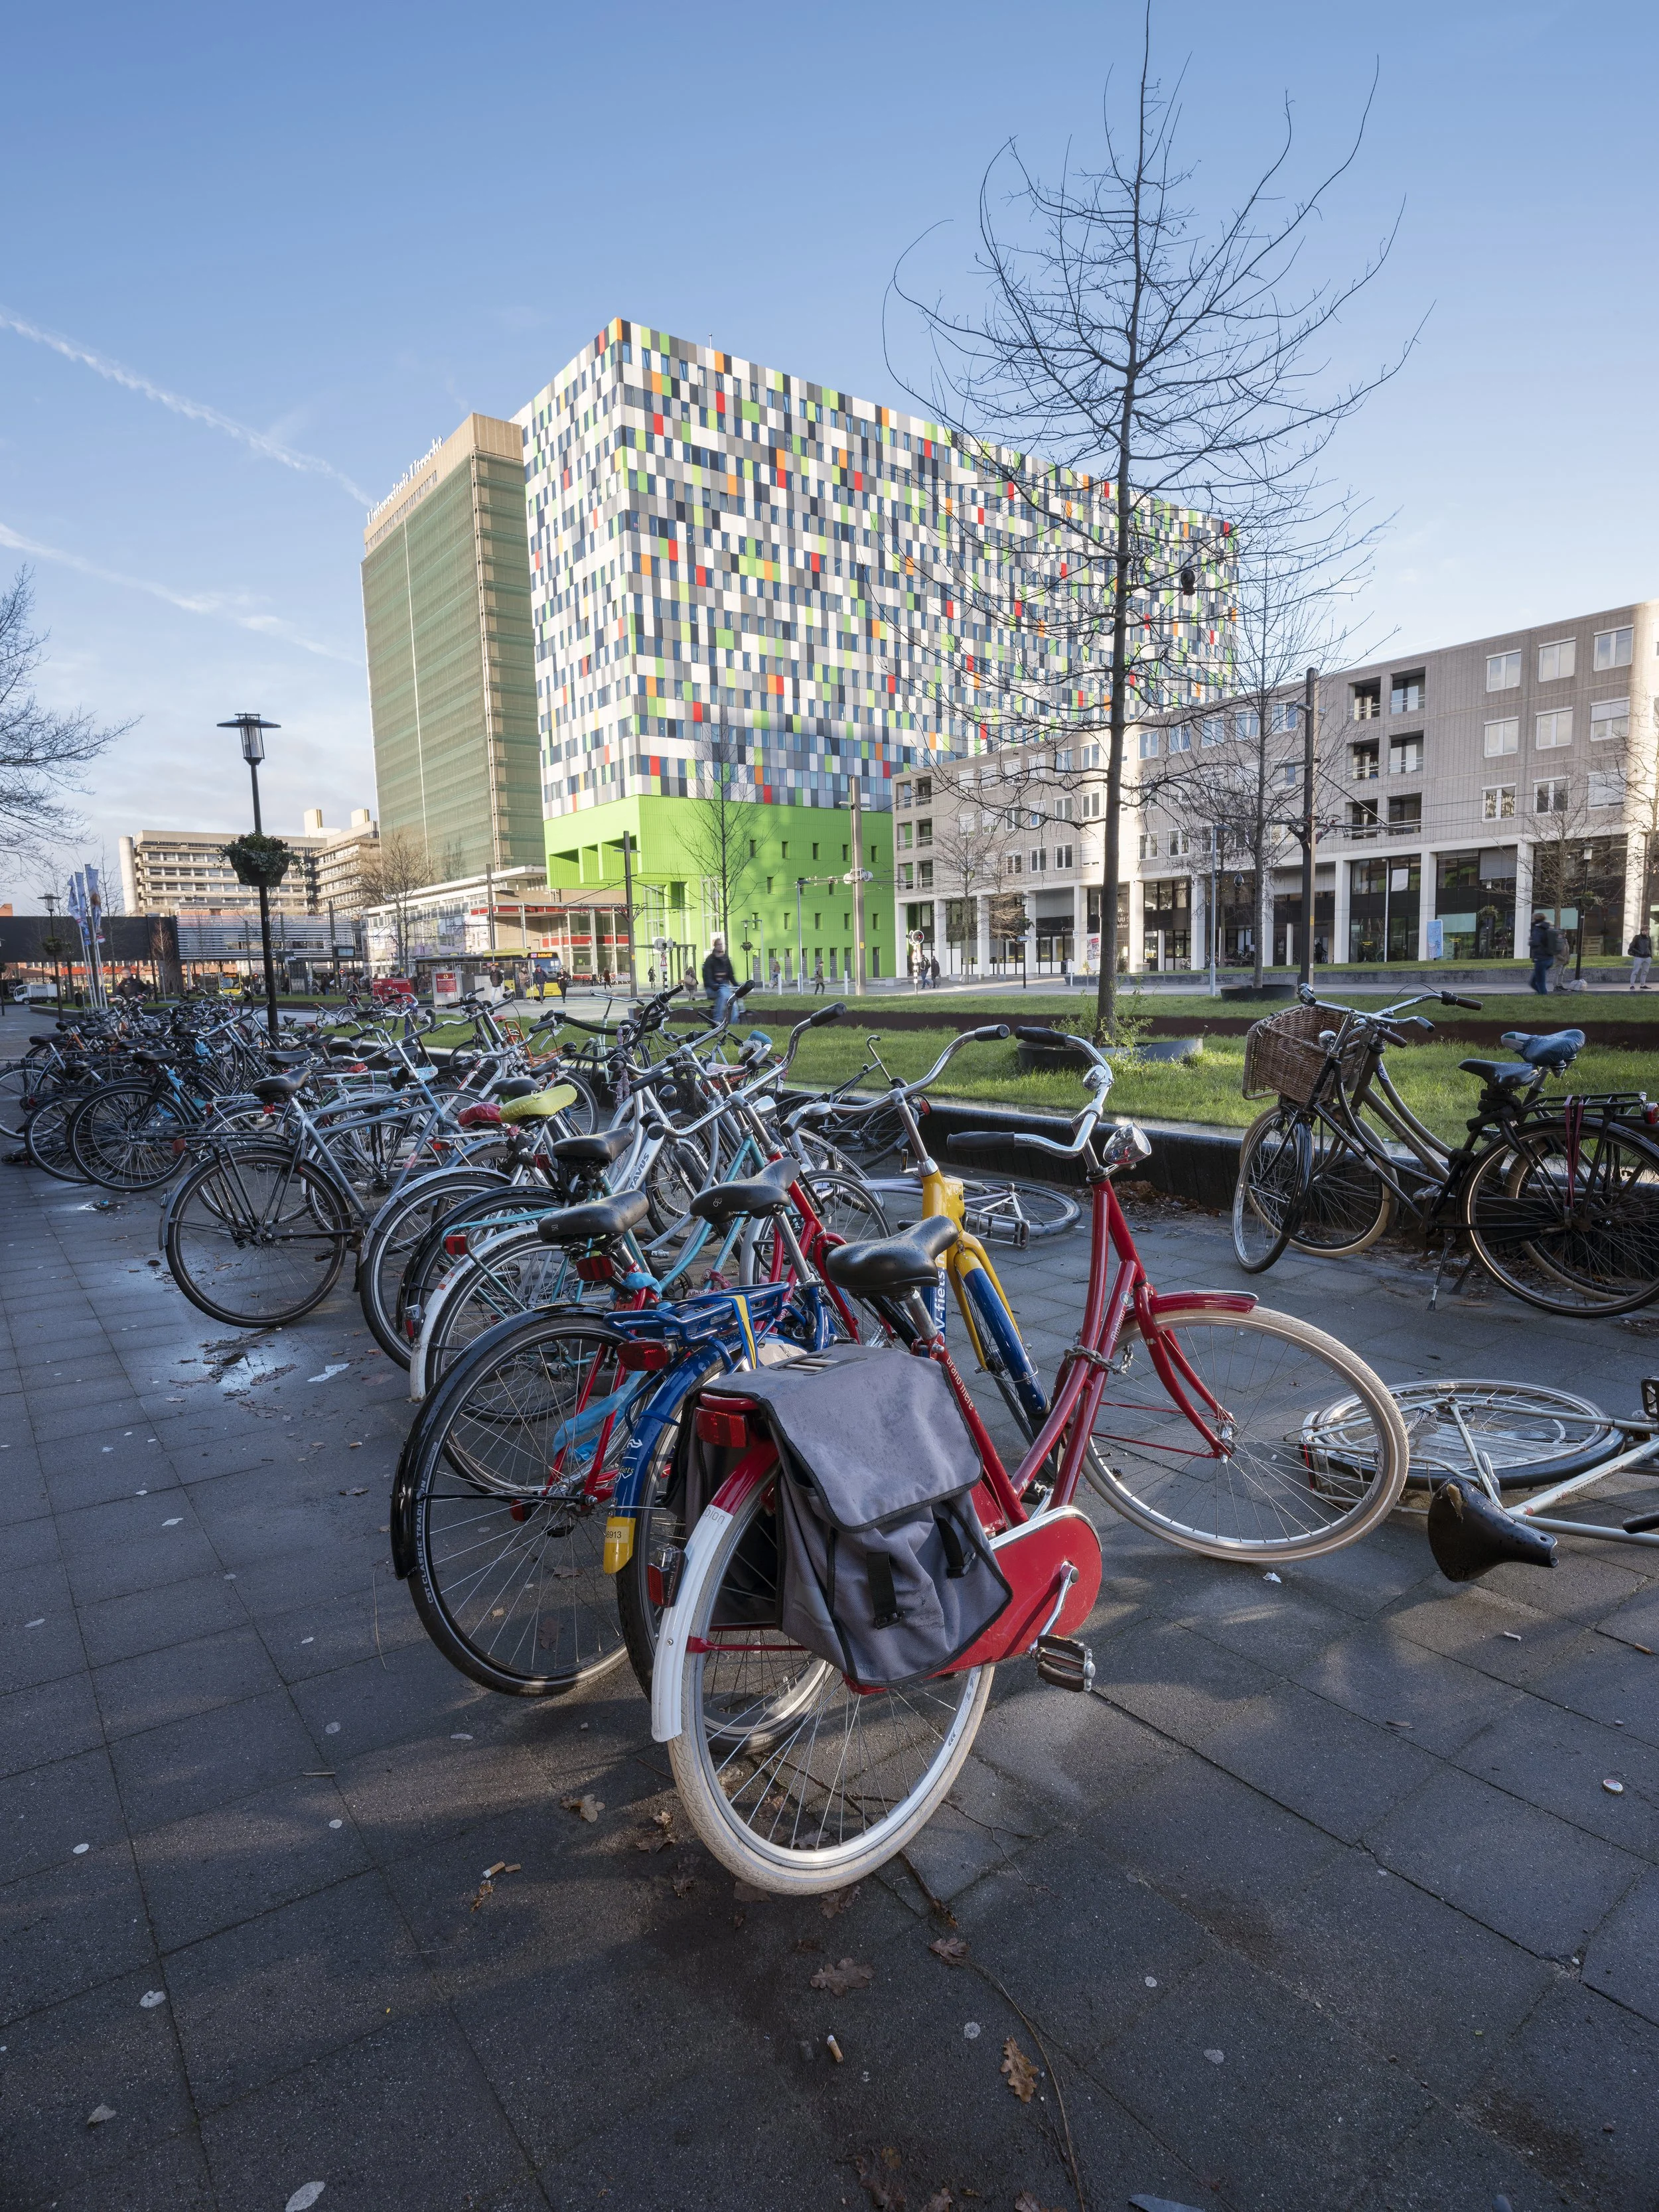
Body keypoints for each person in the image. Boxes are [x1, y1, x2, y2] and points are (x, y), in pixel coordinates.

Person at [703, 935, 737, 1026]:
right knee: (722, 993)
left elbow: (731, 976)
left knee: (733, 1000)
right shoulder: (710, 960)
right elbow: (708, 978)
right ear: (715, 946)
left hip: (725, 988)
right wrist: (715, 986)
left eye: (721, 944)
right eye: (718, 944)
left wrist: (738, 986)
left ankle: (734, 1023)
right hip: (713, 989)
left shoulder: (726, 959)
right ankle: (717, 1020)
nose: (720, 946)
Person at [1528, 913, 1552, 995]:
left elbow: (1535, 942)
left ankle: (1544, 998)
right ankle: (1541, 996)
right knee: (1533, 982)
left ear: (1535, 919)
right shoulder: (1548, 927)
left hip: (1541, 959)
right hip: (1550, 959)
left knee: (1540, 982)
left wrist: (1530, 941)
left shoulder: (1537, 929)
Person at [1629, 928, 1653, 992]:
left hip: (1647, 957)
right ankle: (1632, 985)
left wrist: (1651, 956)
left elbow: (1650, 947)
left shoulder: (1649, 938)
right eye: (1645, 930)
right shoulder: (1637, 938)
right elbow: (1631, 947)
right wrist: (1637, 952)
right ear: (1642, 931)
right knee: (1635, 971)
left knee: (1645, 972)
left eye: (1647, 930)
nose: (1646, 931)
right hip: (1639, 957)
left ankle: (1643, 985)